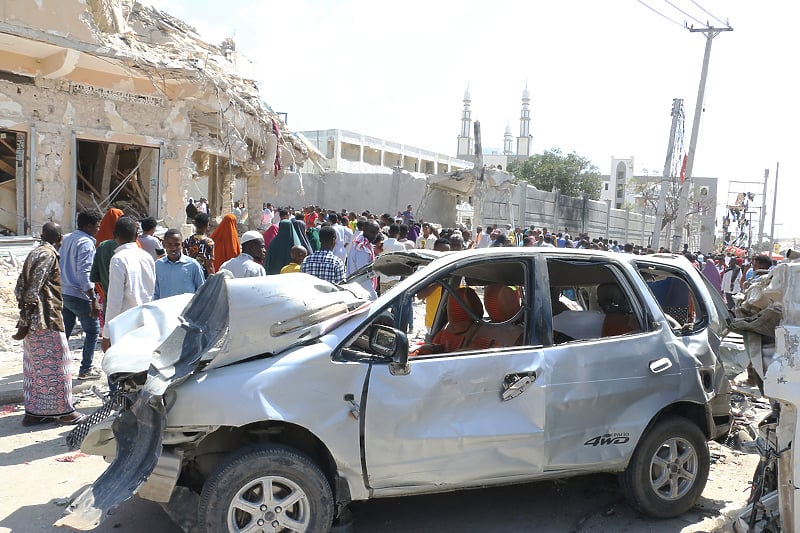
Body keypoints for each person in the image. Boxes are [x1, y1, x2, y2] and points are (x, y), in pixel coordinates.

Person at [14, 222, 85, 426]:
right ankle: (64, 412)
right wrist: (28, 317)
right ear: (60, 237)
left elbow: (20, 286)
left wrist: (25, 319)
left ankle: (35, 413)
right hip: (46, 320)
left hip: (35, 322)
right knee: (58, 366)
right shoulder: (47, 254)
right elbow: (31, 289)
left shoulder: (35, 252)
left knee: (35, 369)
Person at [60, 208, 103, 380]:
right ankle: (86, 368)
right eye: (97, 226)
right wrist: (93, 298)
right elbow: (85, 274)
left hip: (65, 291)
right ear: (88, 226)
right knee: (92, 330)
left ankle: (56, 366)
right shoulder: (85, 243)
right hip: (79, 294)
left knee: (65, 332)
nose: (99, 229)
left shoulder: (68, 238)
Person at [102, 217, 156, 352]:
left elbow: (114, 300)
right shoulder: (147, 257)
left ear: (114, 235)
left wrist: (107, 334)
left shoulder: (118, 260)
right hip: (145, 321)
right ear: (136, 235)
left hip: (124, 325)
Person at [154, 229, 205, 299]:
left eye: (177, 244)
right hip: (164, 308)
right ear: (163, 245)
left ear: (182, 245)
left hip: (186, 309)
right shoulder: (158, 265)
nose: (173, 248)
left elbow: (202, 291)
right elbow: (155, 293)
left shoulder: (193, 265)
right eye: (169, 244)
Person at [346, 219, 380, 298]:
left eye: (376, 233)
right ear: (364, 230)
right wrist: (373, 296)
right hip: (361, 292)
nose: (374, 235)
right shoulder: (362, 249)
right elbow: (364, 276)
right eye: (372, 232)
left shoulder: (361, 241)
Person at [183, 213, 215, 279]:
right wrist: (214, 281)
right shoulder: (209, 242)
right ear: (207, 225)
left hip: (189, 275)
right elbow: (209, 265)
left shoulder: (187, 241)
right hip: (203, 276)